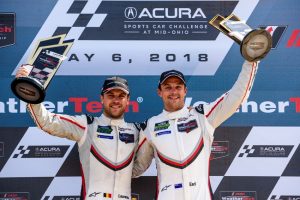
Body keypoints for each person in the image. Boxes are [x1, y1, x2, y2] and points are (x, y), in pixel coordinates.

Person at [15, 65, 148, 200]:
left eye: (121, 96)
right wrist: (29, 88)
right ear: (102, 98)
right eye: (110, 95)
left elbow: (140, 166)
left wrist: (123, 173)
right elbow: (47, 121)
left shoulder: (137, 130)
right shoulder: (87, 124)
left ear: (128, 100)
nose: (116, 100)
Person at [133, 60, 259, 200]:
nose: (173, 92)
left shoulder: (202, 116)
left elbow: (236, 97)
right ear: (159, 92)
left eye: (178, 87)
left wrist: (251, 61)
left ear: (185, 91)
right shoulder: (150, 126)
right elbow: (138, 167)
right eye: (168, 87)